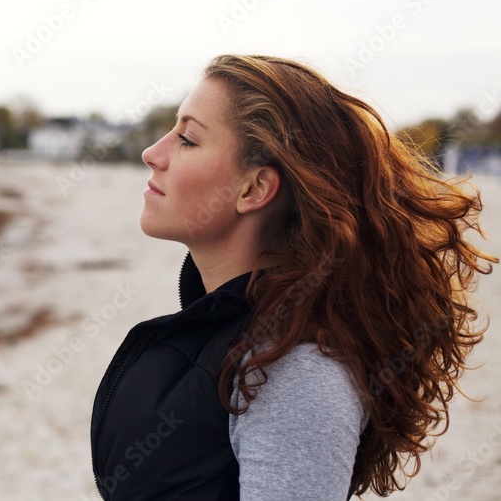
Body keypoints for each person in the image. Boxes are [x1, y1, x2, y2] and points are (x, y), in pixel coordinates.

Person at [90, 54, 497, 500]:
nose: (152, 153)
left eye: (187, 139)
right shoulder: (234, 332)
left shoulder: (293, 370)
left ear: (255, 189)